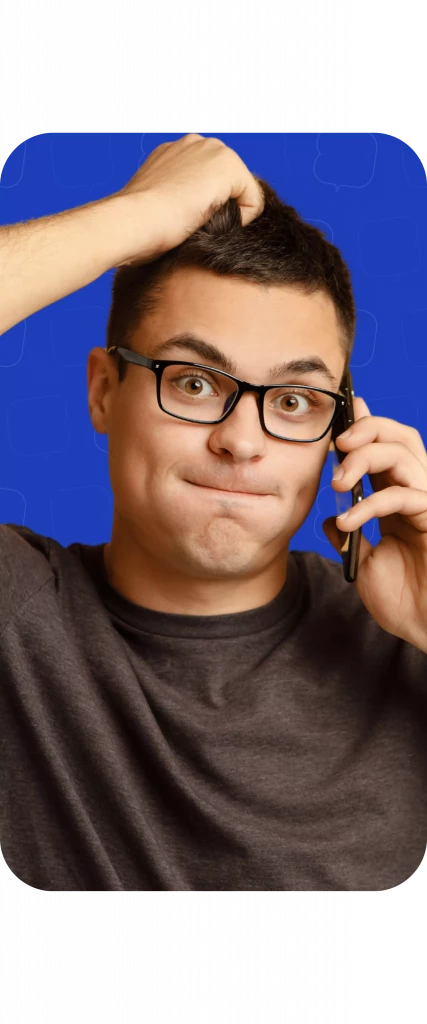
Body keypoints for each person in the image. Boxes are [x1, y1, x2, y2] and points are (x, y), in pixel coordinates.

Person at [1, 133, 426, 893]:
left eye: (292, 402)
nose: (241, 441)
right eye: (194, 382)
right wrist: (133, 218)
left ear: (340, 432)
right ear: (105, 391)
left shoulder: (406, 647)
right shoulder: (18, 621)